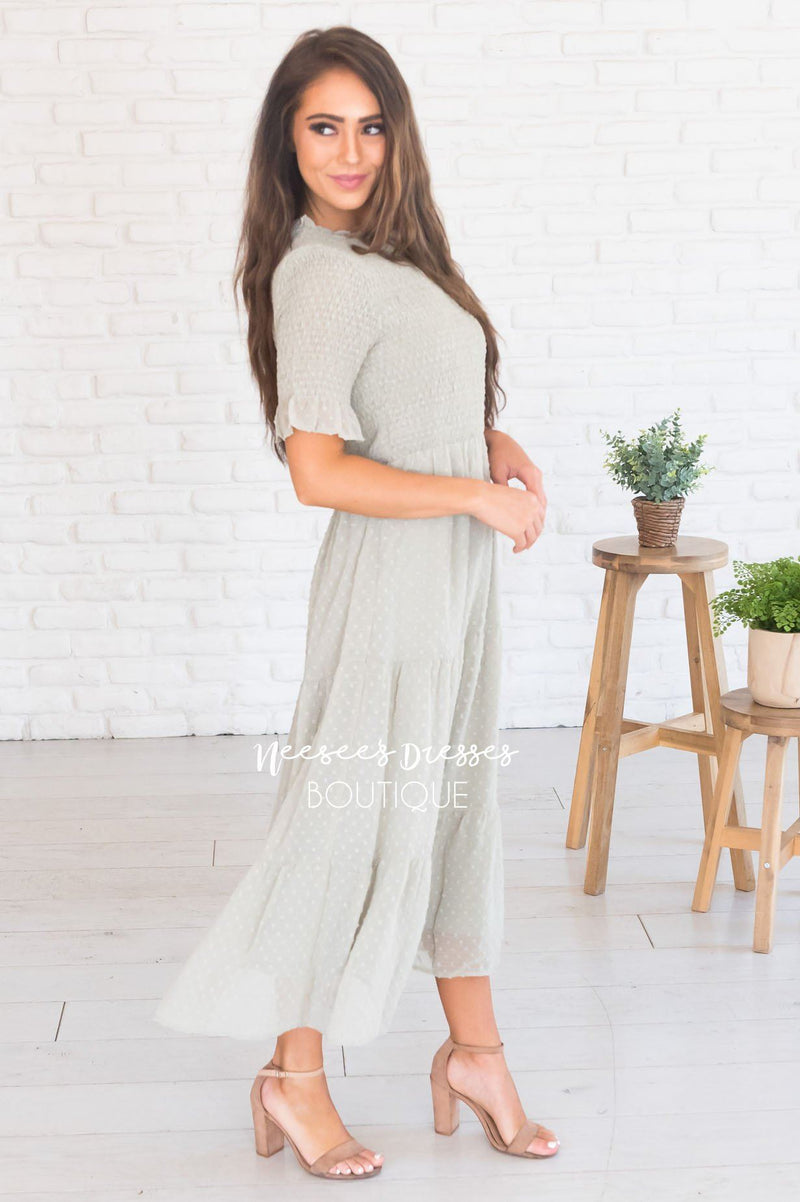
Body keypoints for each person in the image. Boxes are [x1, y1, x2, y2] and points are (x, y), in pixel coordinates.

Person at [154, 25, 558, 1181]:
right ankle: (293, 1077)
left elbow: (410, 398)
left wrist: (488, 442)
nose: (348, 150)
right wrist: (470, 495)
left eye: (369, 126)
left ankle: (475, 1055)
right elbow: (317, 469)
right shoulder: (316, 273)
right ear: (285, 142)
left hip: (451, 584)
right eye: (322, 126)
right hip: (390, 586)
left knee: (453, 810)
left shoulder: (396, 253)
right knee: (342, 823)